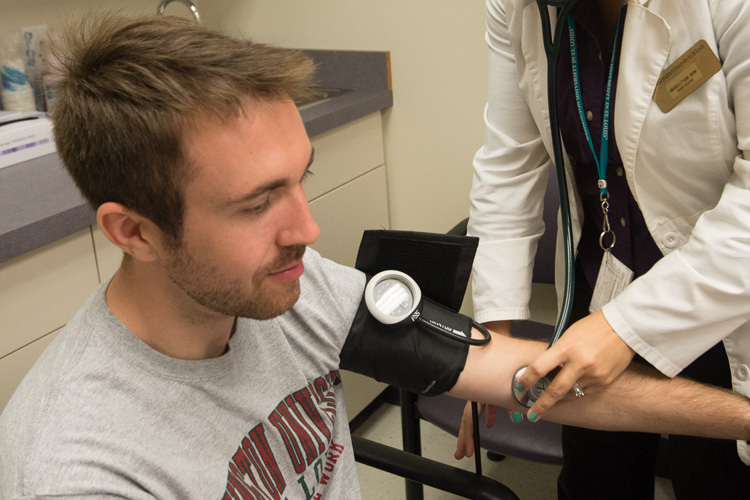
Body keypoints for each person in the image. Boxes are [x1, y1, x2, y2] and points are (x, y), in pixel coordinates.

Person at [1, 13, 750, 500]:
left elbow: (513, 375)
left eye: (303, 179)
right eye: (258, 203)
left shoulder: (293, 291)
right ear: (132, 231)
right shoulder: (85, 471)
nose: (310, 232)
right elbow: (510, 163)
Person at [462, 0, 750, 498]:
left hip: (724, 297)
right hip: (601, 284)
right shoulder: (516, 7)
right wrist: (493, 340)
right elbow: (509, 162)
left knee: (716, 479)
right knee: (596, 481)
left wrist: (626, 327)